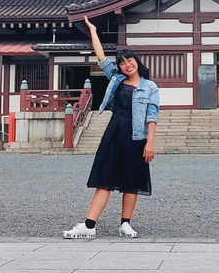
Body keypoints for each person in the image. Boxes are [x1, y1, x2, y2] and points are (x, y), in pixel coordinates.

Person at [63, 16, 159, 239]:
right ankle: (89, 225)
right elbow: (101, 58)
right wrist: (93, 31)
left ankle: (125, 223)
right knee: (104, 179)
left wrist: (151, 142)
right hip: (115, 133)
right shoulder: (116, 79)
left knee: (132, 183)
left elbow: (152, 116)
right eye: (123, 62)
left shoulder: (150, 87)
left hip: (137, 138)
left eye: (130, 60)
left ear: (136, 60)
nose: (127, 65)